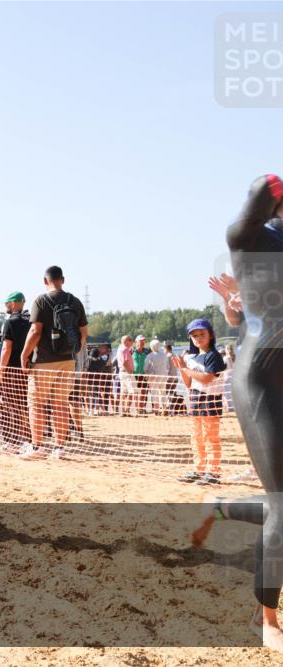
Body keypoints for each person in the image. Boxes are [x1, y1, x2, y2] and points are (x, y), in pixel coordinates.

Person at [223, 174, 283, 650]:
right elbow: (250, 208)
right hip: (259, 381)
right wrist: (272, 185)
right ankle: (266, 620)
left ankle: (224, 506)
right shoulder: (256, 239)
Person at [19, 266, 88, 460]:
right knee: (60, 403)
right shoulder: (74, 301)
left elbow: (35, 332)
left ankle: (38, 446)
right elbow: (84, 334)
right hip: (67, 360)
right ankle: (59, 448)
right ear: (62, 280)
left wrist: (24, 355)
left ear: (45, 281)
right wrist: (74, 351)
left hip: (44, 361)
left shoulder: (41, 301)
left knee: (37, 404)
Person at [170, 319, 226, 486]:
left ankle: (213, 472)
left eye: (202, 334)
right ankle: (199, 469)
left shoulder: (214, 356)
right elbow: (188, 383)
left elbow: (207, 378)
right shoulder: (192, 358)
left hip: (211, 402)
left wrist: (186, 369)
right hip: (195, 401)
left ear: (210, 335)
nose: (198, 338)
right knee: (197, 438)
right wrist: (181, 368)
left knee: (211, 438)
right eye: (194, 336)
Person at [0, 291, 32, 451]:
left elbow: (6, 348)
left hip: (12, 370)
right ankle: (30, 441)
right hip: (28, 368)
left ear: (14, 303)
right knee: (28, 405)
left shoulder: (10, 322)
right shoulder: (31, 320)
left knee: (13, 406)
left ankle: (15, 441)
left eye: (6, 304)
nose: (6, 307)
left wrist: (1, 370)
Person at [143, 339, 171, 416]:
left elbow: (145, 367)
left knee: (154, 394)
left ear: (151, 347)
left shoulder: (150, 356)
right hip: (163, 376)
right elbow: (168, 366)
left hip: (153, 377)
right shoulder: (164, 355)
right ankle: (165, 409)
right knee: (163, 393)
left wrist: (147, 373)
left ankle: (157, 410)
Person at [115, 335, 136, 416]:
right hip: (126, 373)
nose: (132, 342)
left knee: (124, 392)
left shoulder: (120, 349)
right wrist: (130, 371)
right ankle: (127, 410)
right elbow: (125, 362)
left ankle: (123, 410)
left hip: (121, 372)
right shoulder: (125, 350)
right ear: (126, 341)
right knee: (132, 392)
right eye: (130, 340)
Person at [132, 335, 150, 414]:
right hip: (134, 375)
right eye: (141, 341)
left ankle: (142, 408)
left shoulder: (147, 351)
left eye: (144, 341)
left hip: (144, 374)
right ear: (136, 342)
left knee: (144, 392)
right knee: (135, 392)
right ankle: (137, 408)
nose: (142, 342)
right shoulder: (131, 350)